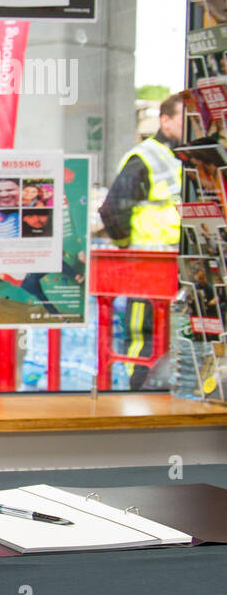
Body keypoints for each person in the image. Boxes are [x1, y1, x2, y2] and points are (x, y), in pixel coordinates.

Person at [99, 93, 184, 388]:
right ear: (166, 120)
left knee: (174, 334)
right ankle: (136, 392)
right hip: (146, 264)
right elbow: (113, 210)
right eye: (186, 118)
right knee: (142, 334)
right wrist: (127, 248)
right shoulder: (144, 157)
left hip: (175, 264)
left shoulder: (184, 157)